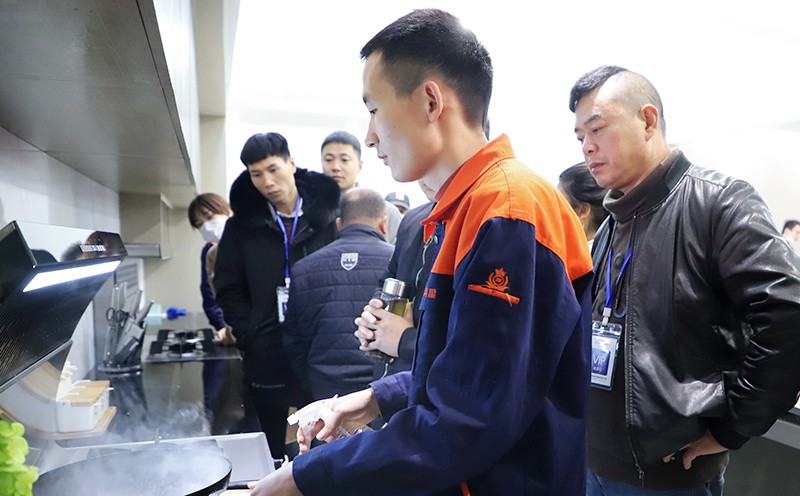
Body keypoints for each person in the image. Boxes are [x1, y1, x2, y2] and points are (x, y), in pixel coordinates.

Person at [248, 9, 593, 495]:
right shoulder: (461, 210)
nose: (370, 135)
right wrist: (376, 398)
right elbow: (466, 365)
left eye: (374, 109)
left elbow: (470, 416)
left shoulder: (507, 210)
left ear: (431, 101)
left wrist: (304, 477)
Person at [569, 65, 800, 495]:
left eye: (597, 129)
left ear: (648, 121)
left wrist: (733, 428)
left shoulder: (719, 203)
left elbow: (787, 315)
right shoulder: (613, 221)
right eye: (580, 136)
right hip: (593, 463)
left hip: (668, 476)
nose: (587, 146)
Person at [213, 132, 340, 460]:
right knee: (265, 446)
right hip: (266, 346)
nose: (267, 182)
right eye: (256, 174)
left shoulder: (327, 219)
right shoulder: (241, 227)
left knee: (325, 440)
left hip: (318, 345)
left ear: (291, 164)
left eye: (273, 169)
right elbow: (227, 287)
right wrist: (249, 331)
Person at [283, 187, 394, 401]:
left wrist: (310, 381)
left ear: (339, 224)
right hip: (380, 388)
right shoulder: (397, 262)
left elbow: (293, 338)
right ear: (384, 223)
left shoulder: (304, 268)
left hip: (324, 387)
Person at [355, 180, 437, 379]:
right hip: (390, 375)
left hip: (433, 381)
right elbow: (388, 278)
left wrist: (406, 341)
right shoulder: (413, 219)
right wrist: (375, 315)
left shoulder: (477, 217)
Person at [320, 130, 402, 243]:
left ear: (359, 165)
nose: (336, 167)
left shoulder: (386, 211)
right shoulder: (307, 209)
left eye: (344, 160)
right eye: (329, 160)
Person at [187, 192, 234, 344]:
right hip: (235, 327)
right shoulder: (211, 252)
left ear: (227, 210)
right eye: (199, 224)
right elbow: (209, 292)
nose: (206, 226)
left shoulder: (252, 240)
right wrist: (221, 325)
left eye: (209, 217)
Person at [558, 162, 608, 249]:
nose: (553, 212)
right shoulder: (611, 250)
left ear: (582, 211)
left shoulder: (585, 255)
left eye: (559, 204)